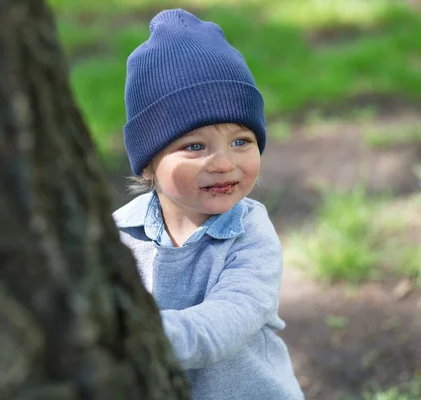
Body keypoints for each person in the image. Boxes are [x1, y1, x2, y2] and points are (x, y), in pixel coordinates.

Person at [113, 8, 304, 400]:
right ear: (148, 164)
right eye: (195, 146)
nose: (223, 163)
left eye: (241, 141)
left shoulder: (251, 235)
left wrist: (130, 338)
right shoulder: (116, 235)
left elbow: (225, 324)